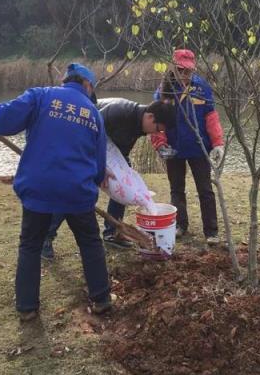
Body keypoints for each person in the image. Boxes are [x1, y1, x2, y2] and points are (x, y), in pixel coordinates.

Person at [0, 63, 111, 321]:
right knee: (90, 243)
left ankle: (27, 308)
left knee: (30, 245)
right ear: (88, 86)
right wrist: (94, 181)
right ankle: (101, 299)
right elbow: (99, 163)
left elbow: (5, 116)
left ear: (65, 81)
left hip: (40, 189)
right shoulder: (93, 113)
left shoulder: (41, 96)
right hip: (77, 191)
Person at [42, 98, 177, 258]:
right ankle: (46, 238)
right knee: (74, 191)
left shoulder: (139, 125)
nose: (155, 133)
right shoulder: (118, 112)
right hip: (80, 143)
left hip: (106, 147)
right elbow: (86, 134)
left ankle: (112, 232)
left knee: (125, 184)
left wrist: (123, 176)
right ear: (150, 117)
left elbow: (121, 151)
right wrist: (100, 166)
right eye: (157, 129)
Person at [151, 48, 225, 245]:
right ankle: (180, 225)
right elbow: (156, 121)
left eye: (188, 71)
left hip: (199, 148)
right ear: (173, 68)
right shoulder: (163, 90)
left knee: (205, 189)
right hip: (174, 149)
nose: (185, 75)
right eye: (180, 70)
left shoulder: (202, 87)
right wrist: (160, 144)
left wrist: (217, 143)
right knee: (177, 189)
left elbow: (211, 117)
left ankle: (211, 231)